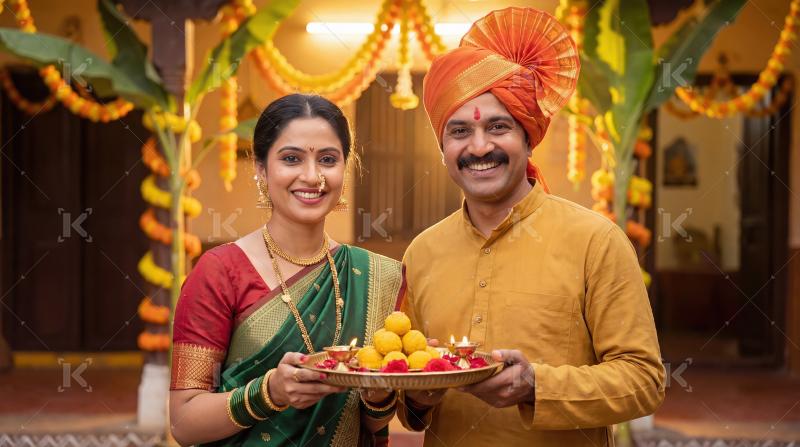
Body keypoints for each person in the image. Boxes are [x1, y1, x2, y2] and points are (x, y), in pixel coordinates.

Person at [396, 7, 665, 446]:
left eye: (499, 127)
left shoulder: (595, 241)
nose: (479, 146)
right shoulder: (422, 252)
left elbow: (644, 381)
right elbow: (410, 402)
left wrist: (536, 385)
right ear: (442, 148)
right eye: (459, 131)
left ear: (527, 136)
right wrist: (419, 397)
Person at [169, 94, 402, 446]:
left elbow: (372, 425)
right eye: (291, 159)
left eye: (327, 159)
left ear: (345, 167)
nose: (312, 177)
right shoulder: (219, 272)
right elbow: (185, 423)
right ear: (261, 169)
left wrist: (379, 395)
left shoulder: (375, 277)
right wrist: (270, 393)